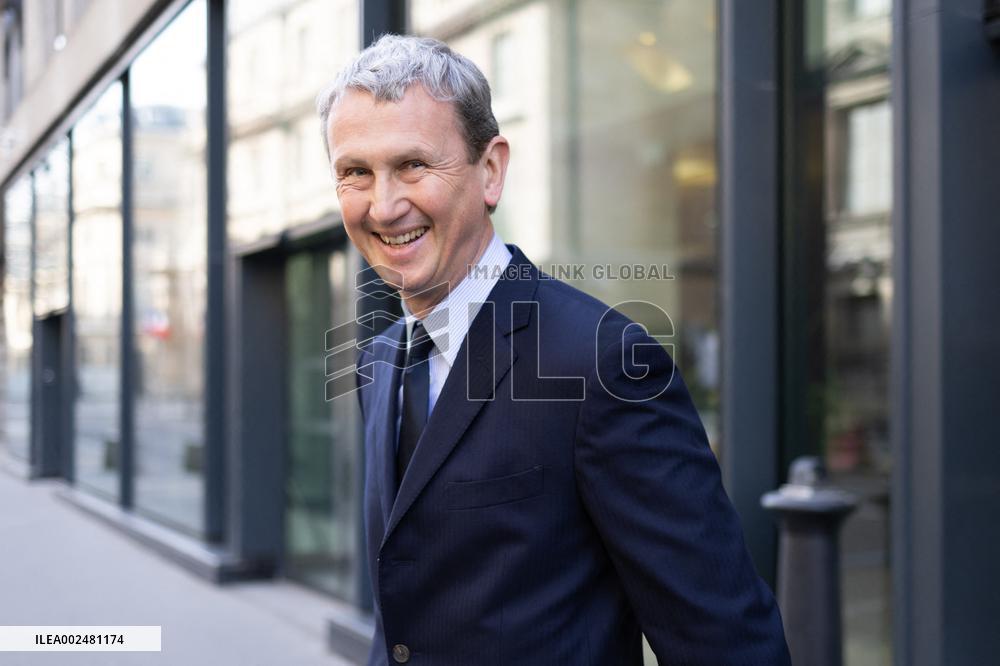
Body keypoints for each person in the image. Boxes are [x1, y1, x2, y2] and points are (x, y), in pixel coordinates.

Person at [317, 34, 790, 666]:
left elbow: (725, 640)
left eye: (413, 166)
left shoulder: (605, 363)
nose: (384, 204)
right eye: (356, 173)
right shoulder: (377, 360)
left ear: (491, 171)